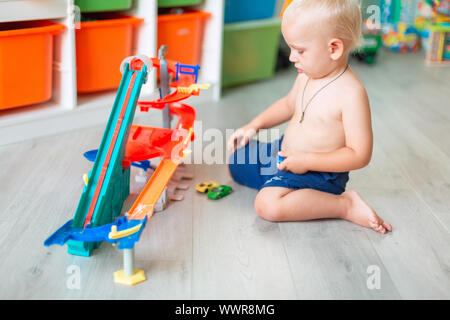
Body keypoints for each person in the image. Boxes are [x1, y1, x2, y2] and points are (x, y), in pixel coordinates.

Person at [227, 0, 392, 234]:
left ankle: (343, 205)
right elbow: (287, 104)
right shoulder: (307, 74)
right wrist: (254, 125)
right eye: (291, 48)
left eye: (300, 50)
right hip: (285, 155)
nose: (292, 57)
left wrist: (307, 161)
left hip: (318, 174)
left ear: (333, 48)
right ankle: (281, 185)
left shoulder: (351, 94)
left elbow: (360, 154)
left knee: (267, 205)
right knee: (235, 160)